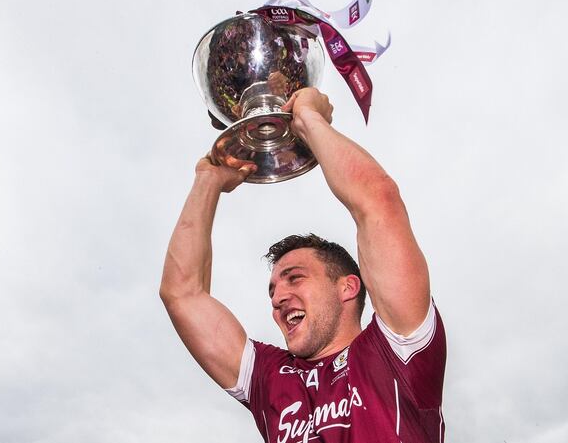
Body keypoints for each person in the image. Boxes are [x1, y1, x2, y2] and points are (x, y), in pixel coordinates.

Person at [159, 88, 446, 443]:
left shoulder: (398, 349)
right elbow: (182, 294)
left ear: (348, 287)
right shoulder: (270, 377)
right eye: (273, 289)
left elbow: (377, 202)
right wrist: (208, 181)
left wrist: (309, 119)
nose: (278, 297)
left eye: (294, 278)